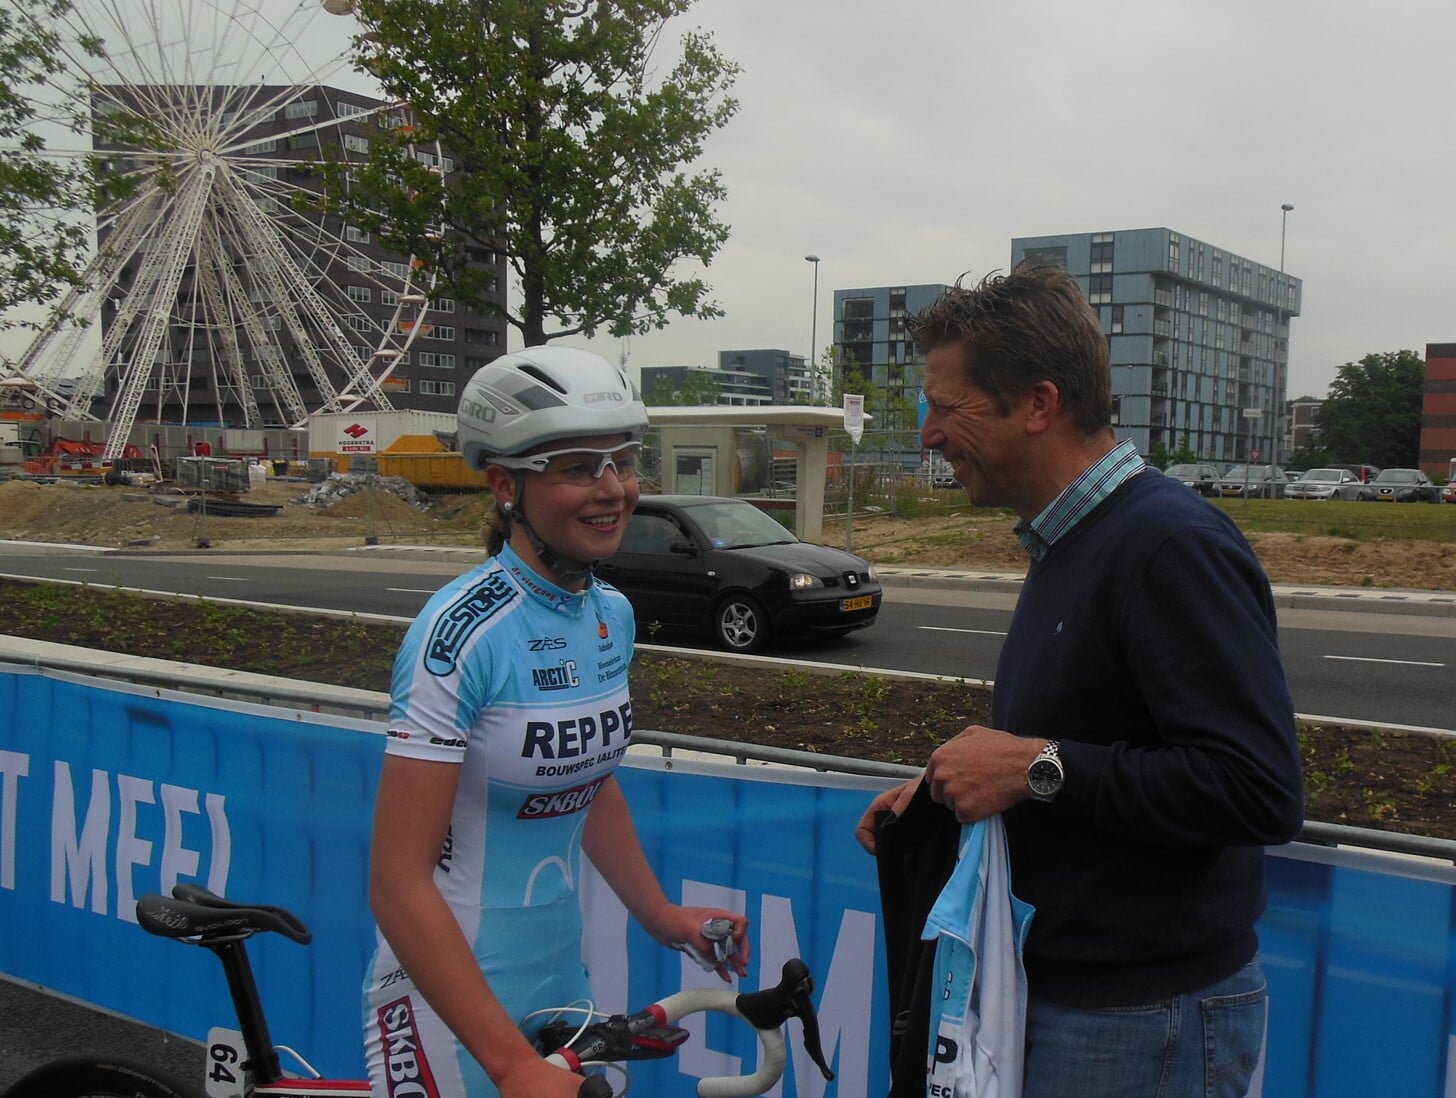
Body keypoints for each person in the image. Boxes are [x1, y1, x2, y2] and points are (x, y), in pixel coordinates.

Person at [855, 263, 1304, 1098]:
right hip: (1084, 1005)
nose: (929, 435)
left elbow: (1257, 789)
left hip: (1144, 1020)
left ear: (1038, 404)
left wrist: (1032, 767)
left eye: (948, 409)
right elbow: (1090, 745)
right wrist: (950, 799)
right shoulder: (1073, 542)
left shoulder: (1168, 545)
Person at [363, 346, 749, 1098]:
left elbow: (586, 781)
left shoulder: (611, 614)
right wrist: (509, 1066)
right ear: (506, 485)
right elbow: (396, 880)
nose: (614, 490)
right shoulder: (458, 636)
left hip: (556, 976)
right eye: (578, 466)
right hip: (447, 997)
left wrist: (660, 913)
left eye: (624, 461)